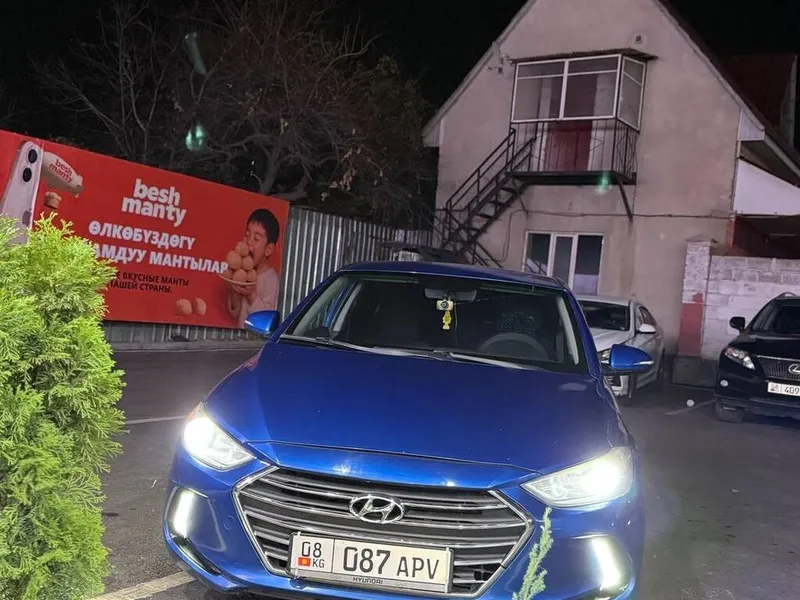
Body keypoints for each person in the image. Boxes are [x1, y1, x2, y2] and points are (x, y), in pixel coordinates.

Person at [228, 208, 281, 329]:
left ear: (268, 249)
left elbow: (267, 319)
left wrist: (252, 295)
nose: (249, 242)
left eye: (256, 239)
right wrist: (234, 291)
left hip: (255, 338)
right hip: (239, 335)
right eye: (247, 235)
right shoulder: (242, 272)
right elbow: (235, 313)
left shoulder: (270, 279)